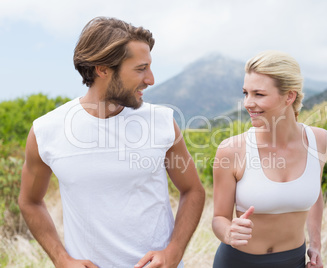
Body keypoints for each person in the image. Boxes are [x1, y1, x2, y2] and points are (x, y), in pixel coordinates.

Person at [18, 16, 205, 268]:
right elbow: (29, 201)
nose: (150, 79)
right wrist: (61, 259)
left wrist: (174, 252)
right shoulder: (46, 131)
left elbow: (193, 191)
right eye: (140, 69)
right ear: (103, 69)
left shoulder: (161, 121)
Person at [212, 50, 327, 268]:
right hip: (238, 262)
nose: (247, 103)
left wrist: (316, 245)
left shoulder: (319, 141)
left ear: (289, 96)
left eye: (258, 94)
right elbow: (219, 218)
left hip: (294, 261)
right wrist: (229, 233)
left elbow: (315, 194)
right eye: (245, 93)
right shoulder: (231, 150)